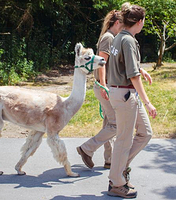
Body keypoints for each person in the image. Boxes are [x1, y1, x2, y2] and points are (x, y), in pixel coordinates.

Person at [107, 2, 157, 198]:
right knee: (123, 140)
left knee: (145, 132)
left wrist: (140, 69)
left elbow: (124, 66)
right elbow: (132, 76)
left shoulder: (120, 37)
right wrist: (147, 101)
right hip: (126, 95)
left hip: (121, 93)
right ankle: (117, 183)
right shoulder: (128, 41)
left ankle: (119, 168)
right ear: (139, 21)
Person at [76, 10, 123, 169]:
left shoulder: (111, 37)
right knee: (116, 125)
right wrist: (104, 85)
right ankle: (86, 149)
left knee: (109, 123)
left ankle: (110, 159)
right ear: (117, 23)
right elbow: (102, 62)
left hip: (106, 85)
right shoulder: (109, 38)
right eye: (123, 24)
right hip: (105, 85)